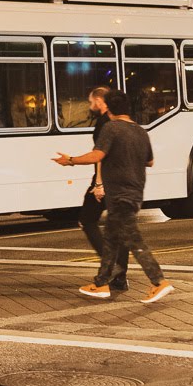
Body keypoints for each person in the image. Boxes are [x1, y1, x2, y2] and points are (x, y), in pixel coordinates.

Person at [52, 89, 174, 304]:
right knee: (110, 240)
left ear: (109, 109)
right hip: (135, 192)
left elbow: (97, 155)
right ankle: (101, 284)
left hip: (119, 194)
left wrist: (70, 159)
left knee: (134, 240)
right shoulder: (140, 131)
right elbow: (149, 161)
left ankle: (158, 282)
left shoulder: (111, 128)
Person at [77, 86, 128, 291]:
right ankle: (120, 277)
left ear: (100, 101)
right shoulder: (123, 120)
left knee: (87, 220)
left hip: (106, 179)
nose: (91, 106)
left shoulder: (104, 123)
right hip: (124, 180)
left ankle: (112, 266)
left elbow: (100, 155)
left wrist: (99, 184)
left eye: (92, 102)